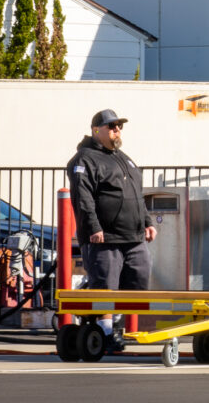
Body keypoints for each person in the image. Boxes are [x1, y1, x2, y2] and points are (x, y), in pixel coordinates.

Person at [66, 109, 156, 352]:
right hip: (105, 238)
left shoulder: (123, 158)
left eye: (119, 126)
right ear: (97, 130)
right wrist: (94, 227)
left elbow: (136, 194)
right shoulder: (85, 159)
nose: (117, 130)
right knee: (106, 285)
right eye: (112, 126)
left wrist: (147, 221)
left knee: (138, 280)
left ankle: (113, 322)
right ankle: (105, 332)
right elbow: (83, 198)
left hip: (133, 236)